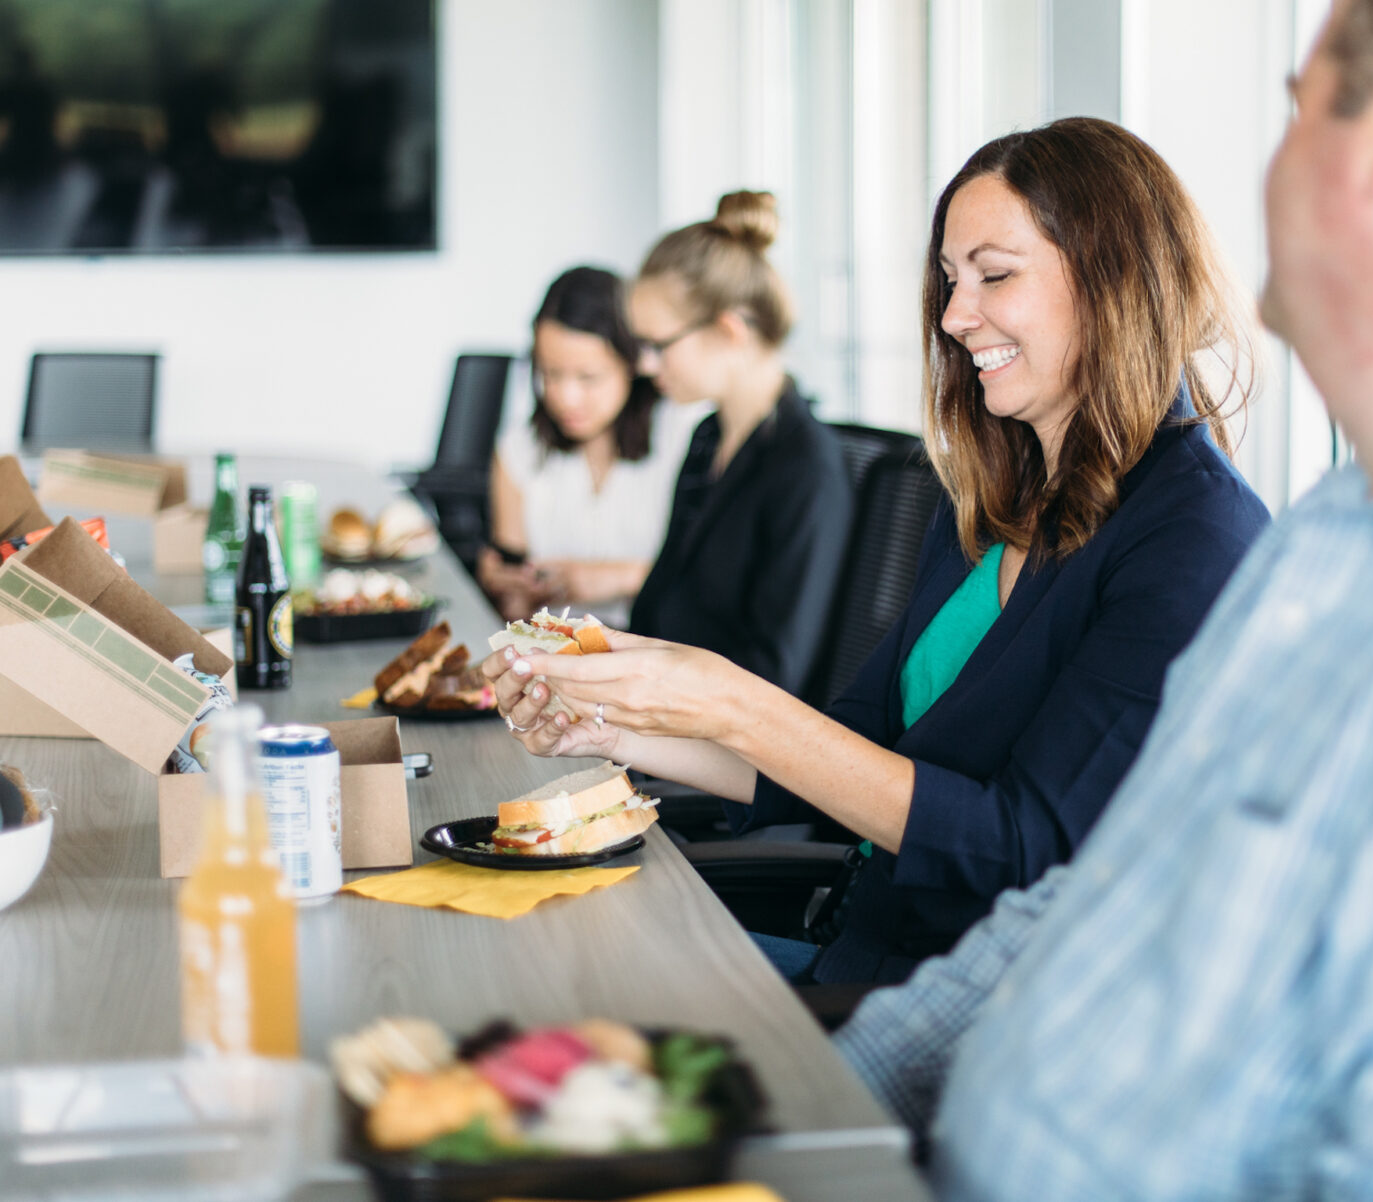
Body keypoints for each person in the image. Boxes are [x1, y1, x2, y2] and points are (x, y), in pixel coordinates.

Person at [816, 0, 1373, 1197]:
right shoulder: (1345, 532)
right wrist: (823, 1105)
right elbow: (1095, 900)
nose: (1261, 177)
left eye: (1297, 114)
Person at [485, 121, 1270, 986]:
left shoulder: (1195, 539)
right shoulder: (992, 497)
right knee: (528, 961)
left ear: (1116, 280)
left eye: (994, 275)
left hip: (955, 1015)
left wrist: (732, 701)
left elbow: (1025, 845)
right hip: (860, 951)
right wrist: (619, 724)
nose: (954, 316)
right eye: (947, 280)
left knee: (553, 986)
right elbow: (854, 744)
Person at [618, 190, 852, 694]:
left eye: (658, 345)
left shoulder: (806, 467)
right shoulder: (709, 437)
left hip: (727, 746)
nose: (645, 365)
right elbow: (658, 606)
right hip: (663, 715)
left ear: (728, 330)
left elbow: (776, 672)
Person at [478, 266, 698, 628]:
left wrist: (620, 577)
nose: (565, 398)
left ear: (633, 363)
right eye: (550, 374)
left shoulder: (683, 435)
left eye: (588, 377)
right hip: (556, 655)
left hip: (659, 649)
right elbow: (515, 608)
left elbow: (712, 583)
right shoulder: (520, 449)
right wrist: (506, 590)